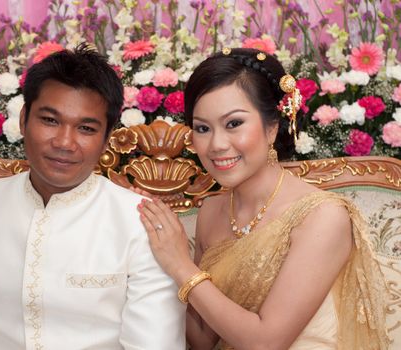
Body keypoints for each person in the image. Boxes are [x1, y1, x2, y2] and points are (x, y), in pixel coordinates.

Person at [0, 44, 185, 350]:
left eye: (85, 128)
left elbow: (152, 345)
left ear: (107, 138)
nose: (64, 142)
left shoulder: (140, 223)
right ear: (24, 119)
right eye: (50, 120)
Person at [137, 48, 389, 349]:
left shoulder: (322, 217)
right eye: (202, 128)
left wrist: (180, 266)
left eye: (234, 124)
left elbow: (266, 343)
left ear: (272, 128)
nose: (216, 145)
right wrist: (149, 239)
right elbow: (202, 338)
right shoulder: (212, 210)